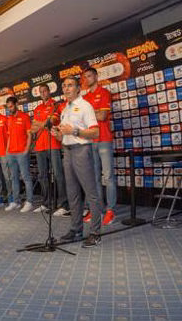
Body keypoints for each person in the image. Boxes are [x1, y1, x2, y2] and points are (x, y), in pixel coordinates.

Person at [53, 76, 103, 248]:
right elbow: (64, 135)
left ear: (78, 89)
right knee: (73, 194)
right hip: (67, 151)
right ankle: (76, 229)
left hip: (82, 151)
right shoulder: (65, 108)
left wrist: (74, 131)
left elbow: (95, 133)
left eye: (70, 85)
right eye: (64, 86)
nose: (66, 89)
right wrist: (58, 134)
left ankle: (95, 233)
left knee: (91, 193)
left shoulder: (85, 106)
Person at [83, 66, 117, 226]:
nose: (87, 79)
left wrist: (89, 115)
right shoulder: (84, 98)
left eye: (90, 76)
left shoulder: (104, 92)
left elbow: (103, 116)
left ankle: (110, 211)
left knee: (108, 177)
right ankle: (97, 209)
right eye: (85, 77)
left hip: (104, 139)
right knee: (94, 178)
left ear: (96, 77)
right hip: (91, 141)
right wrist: (92, 114)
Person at [30, 84, 67, 215]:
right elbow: (33, 128)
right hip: (39, 145)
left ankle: (63, 204)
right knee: (42, 176)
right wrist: (43, 124)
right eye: (41, 92)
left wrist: (41, 124)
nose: (43, 93)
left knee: (58, 175)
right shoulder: (37, 108)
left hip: (53, 144)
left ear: (49, 91)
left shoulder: (55, 105)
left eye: (45, 91)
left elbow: (51, 122)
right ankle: (46, 203)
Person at [3, 96, 34, 212]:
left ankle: (29, 202)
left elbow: (30, 134)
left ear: (16, 104)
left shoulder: (25, 117)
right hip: (11, 153)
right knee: (14, 177)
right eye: (8, 107)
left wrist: (27, 149)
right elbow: (9, 136)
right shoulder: (9, 119)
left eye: (11, 106)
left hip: (21, 152)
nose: (9, 109)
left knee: (26, 177)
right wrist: (7, 151)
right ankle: (16, 201)